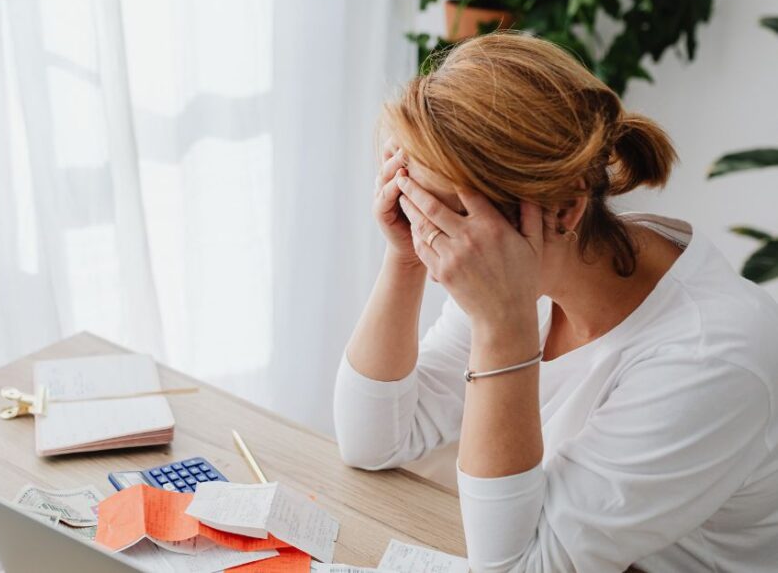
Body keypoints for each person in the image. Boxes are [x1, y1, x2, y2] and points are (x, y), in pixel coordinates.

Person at [333, 32, 778, 572]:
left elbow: (519, 569)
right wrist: (402, 259)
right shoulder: (540, 263)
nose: (433, 239)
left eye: (444, 216)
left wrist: (503, 327)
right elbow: (372, 442)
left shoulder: (710, 357)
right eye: (413, 203)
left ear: (563, 211)